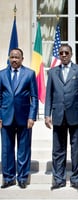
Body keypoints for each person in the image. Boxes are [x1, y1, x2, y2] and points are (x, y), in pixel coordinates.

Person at [44, 44, 78, 191]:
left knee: (76, 148)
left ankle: (76, 179)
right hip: (58, 115)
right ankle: (59, 179)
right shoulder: (52, 72)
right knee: (58, 150)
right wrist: (46, 115)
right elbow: (49, 95)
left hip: (76, 115)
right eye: (61, 53)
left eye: (66, 53)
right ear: (58, 54)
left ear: (71, 54)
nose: (64, 55)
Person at [0, 48, 38, 189]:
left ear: (22, 58)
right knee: (7, 149)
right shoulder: (1, 74)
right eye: (12, 57)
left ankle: (22, 178)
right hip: (6, 118)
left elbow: (34, 97)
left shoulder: (29, 74)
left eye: (17, 57)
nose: (14, 60)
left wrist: (32, 116)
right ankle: (8, 178)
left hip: (24, 118)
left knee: (23, 150)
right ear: (9, 58)